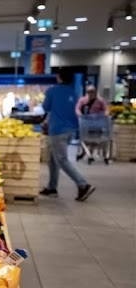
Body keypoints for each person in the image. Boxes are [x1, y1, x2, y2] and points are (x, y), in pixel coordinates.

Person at [40, 71, 94, 200]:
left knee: (62, 160)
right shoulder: (74, 93)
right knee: (53, 160)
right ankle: (52, 188)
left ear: (59, 78)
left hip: (58, 130)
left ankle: (83, 184)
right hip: (71, 130)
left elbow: (45, 107)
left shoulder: (52, 91)